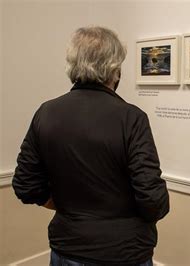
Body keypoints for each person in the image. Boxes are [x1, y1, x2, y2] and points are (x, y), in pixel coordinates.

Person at [12, 26, 169, 266]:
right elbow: (153, 200)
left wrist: (67, 208)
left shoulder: (47, 112)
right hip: (124, 252)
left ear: (72, 65)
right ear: (115, 69)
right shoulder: (131, 118)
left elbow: (25, 184)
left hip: (67, 247)